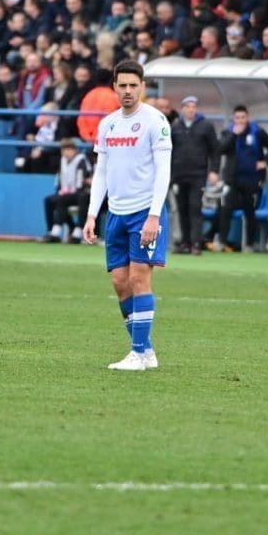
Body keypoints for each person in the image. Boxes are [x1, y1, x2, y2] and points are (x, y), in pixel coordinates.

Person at [82, 60, 172, 372]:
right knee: (120, 283)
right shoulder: (107, 124)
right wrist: (93, 214)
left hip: (145, 212)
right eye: (123, 85)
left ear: (142, 87)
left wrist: (154, 216)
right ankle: (145, 351)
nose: (128, 91)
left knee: (139, 278)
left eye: (134, 85)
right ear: (115, 88)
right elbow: (102, 171)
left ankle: (136, 353)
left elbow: (163, 171)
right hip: (116, 215)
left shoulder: (155, 121)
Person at [215, 105, 268, 252]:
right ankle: (222, 242)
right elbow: (220, 149)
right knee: (226, 210)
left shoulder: (257, 132)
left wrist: (265, 162)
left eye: (243, 117)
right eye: (237, 118)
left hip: (252, 179)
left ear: (247, 117)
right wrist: (233, 136)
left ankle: (249, 244)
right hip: (232, 179)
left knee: (250, 212)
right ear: (233, 119)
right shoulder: (228, 132)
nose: (240, 121)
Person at [169, 95, 218, 254]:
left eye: (193, 106)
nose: (191, 109)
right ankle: (185, 242)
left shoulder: (205, 126)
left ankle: (197, 243)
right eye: (188, 107)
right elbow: (168, 151)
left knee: (195, 208)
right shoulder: (175, 127)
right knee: (181, 209)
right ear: (182, 109)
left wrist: (214, 170)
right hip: (179, 174)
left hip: (198, 174)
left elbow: (214, 150)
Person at [41, 138, 92, 243]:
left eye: (68, 150)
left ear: (74, 150)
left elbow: (81, 180)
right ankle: (52, 230)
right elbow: (59, 178)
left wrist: (71, 190)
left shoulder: (81, 160)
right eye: (63, 150)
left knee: (72, 198)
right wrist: (60, 190)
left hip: (80, 193)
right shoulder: (62, 161)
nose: (65, 152)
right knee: (49, 200)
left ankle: (77, 231)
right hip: (66, 193)